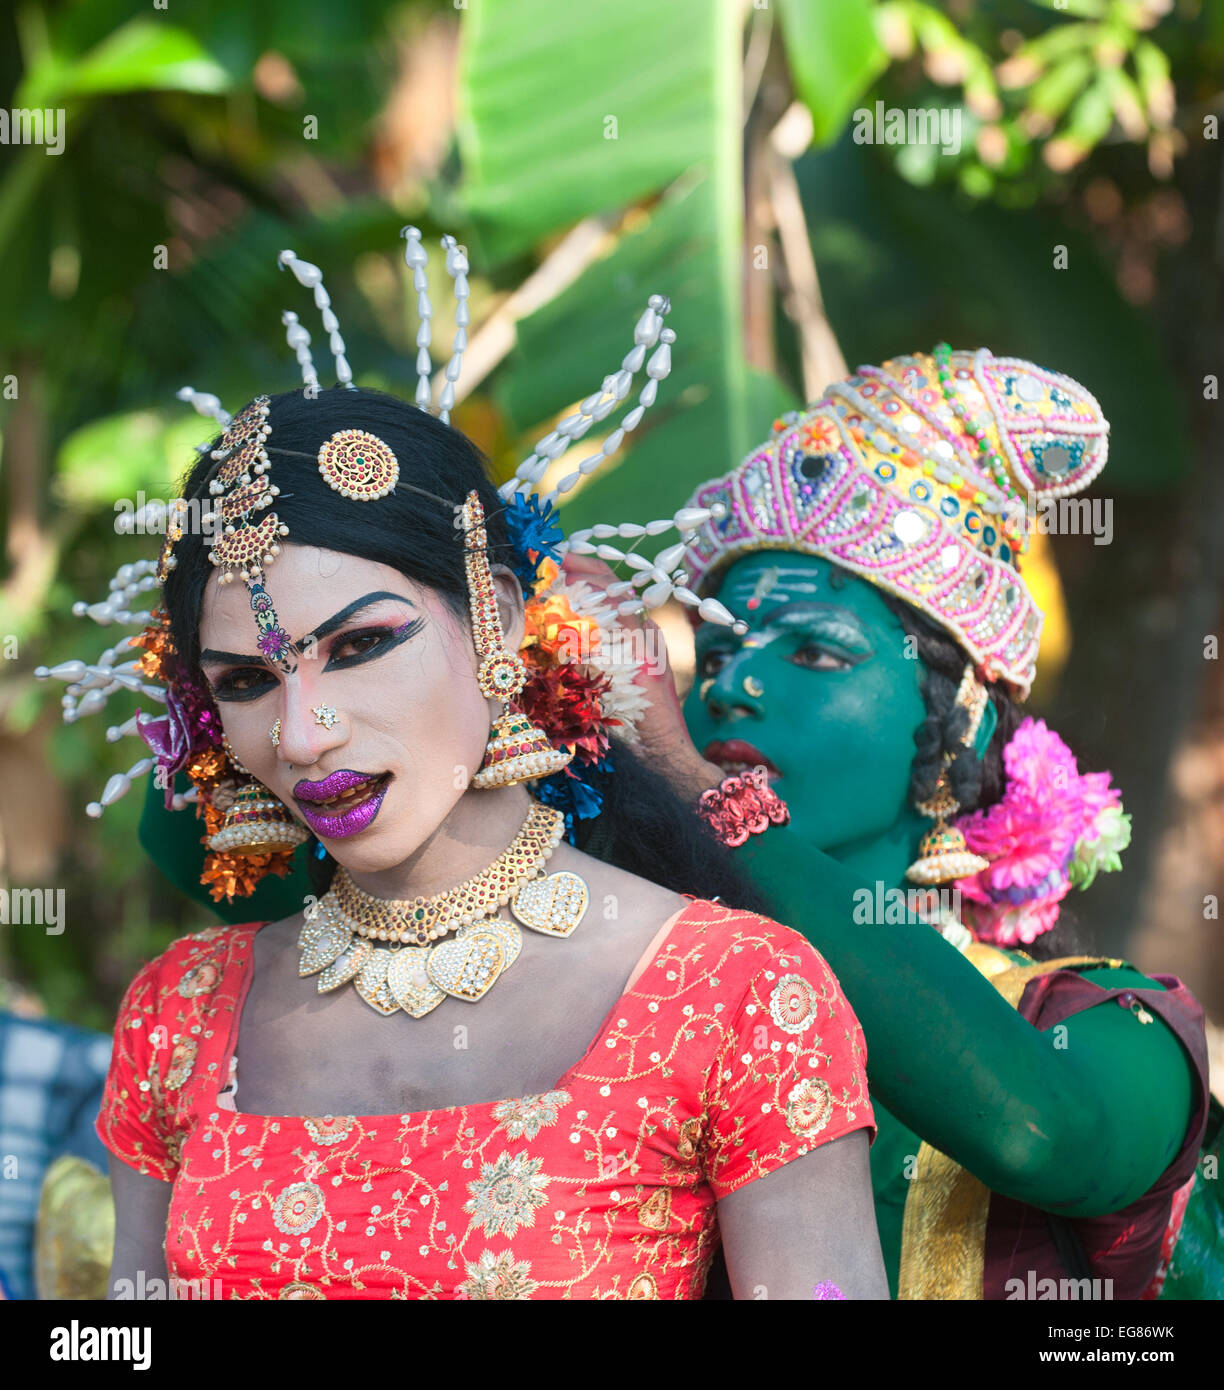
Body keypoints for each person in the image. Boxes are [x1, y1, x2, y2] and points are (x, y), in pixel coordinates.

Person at [39, 240, 886, 1300]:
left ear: (493, 615)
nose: (304, 733)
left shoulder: (733, 992)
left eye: (360, 646)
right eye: (250, 682)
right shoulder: (182, 1012)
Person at [563, 344, 1217, 1300]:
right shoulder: (641, 1014)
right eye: (713, 656)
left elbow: (1042, 1135)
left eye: (816, 655)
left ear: (961, 719)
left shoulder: (1102, 1027)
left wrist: (692, 788)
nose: (736, 685)